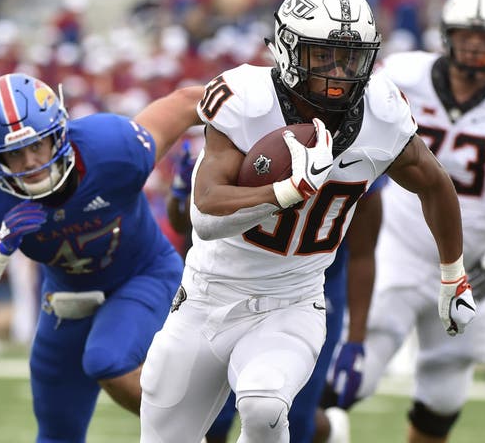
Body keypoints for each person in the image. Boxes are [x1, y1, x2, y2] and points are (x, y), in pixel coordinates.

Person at [140, 0, 476, 443]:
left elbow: (436, 184)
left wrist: (452, 271)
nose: (339, 71)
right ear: (288, 49)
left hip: (293, 301)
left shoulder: (381, 110)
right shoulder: (245, 98)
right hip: (207, 297)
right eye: (324, 56)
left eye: (351, 57)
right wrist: (282, 192)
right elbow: (206, 213)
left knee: (263, 404)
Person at [331, 0, 485, 443]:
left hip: (473, 266)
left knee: (441, 401)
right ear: (445, 35)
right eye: (465, 34)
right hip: (399, 246)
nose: (475, 44)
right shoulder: (403, 75)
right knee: (350, 378)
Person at [0, 73, 203, 442]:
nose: (30, 163)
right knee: (56, 430)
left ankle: (196, 433)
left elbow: (186, 102)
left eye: (38, 146)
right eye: (13, 155)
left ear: (59, 134)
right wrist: (1, 248)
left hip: (144, 272)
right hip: (66, 296)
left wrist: (264, 105)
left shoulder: (111, 148)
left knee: (108, 359)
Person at [166, 140, 388, 443]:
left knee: (292, 418)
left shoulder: (360, 147)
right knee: (211, 416)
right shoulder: (237, 129)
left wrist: (356, 339)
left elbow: (363, 253)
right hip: (234, 284)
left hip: (309, 290)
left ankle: (328, 431)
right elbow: (187, 224)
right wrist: (182, 190)